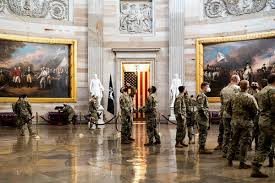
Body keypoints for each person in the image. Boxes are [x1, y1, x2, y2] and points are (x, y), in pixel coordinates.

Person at [226, 80, 258, 169]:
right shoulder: (250, 98)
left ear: (240, 86)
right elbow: (255, 111)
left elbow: (228, 110)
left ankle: (229, 160)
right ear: (248, 87)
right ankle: (242, 163)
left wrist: (235, 116)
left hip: (235, 122)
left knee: (233, 141)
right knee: (245, 143)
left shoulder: (233, 97)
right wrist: (249, 117)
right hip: (246, 123)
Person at [250, 74, 275, 178]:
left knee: (263, 145)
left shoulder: (262, 91)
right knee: (266, 145)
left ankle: (255, 168)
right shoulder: (272, 90)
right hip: (271, 121)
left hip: (263, 120)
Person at [219, 75, 240, 157]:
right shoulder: (238, 89)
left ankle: (225, 151)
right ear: (236, 80)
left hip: (225, 114)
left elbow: (221, 102)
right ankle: (234, 152)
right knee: (235, 133)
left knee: (226, 133)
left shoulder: (223, 89)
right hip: (235, 114)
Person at [196, 82, 212, 154]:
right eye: (207, 86)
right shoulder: (201, 96)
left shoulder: (203, 95)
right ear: (204, 87)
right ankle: (202, 148)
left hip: (203, 117)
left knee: (203, 132)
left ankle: (202, 147)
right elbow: (200, 107)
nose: (208, 88)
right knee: (203, 133)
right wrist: (206, 115)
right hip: (202, 118)